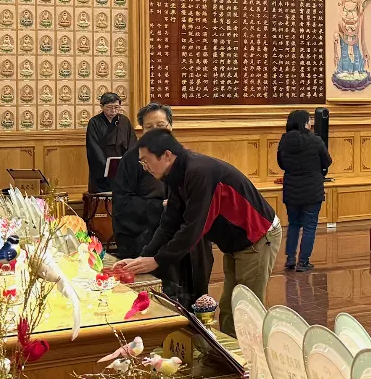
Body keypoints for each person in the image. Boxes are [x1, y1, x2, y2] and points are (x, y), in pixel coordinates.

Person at [114, 130, 282, 334]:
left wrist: (158, 260)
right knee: (229, 306)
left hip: (257, 237)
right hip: (236, 242)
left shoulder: (198, 172)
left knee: (246, 310)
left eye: (146, 161)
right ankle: (230, 351)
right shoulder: (176, 175)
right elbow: (169, 224)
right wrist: (142, 259)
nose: (144, 167)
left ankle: (249, 354)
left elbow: (193, 228)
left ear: (166, 155)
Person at [110, 104, 214, 308]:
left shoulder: (182, 157)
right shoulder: (132, 160)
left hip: (187, 237)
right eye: (149, 127)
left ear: (171, 127)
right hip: (150, 235)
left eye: (161, 125)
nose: (155, 132)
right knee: (163, 301)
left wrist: (175, 208)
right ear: (141, 130)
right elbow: (122, 203)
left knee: (196, 298)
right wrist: (159, 207)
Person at [278, 110, 333, 272]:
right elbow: (327, 161)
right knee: (310, 226)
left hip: (291, 188)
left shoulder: (284, 141)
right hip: (312, 189)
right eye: (309, 120)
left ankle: (290, 258)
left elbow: (281, 163)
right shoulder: (315, 140)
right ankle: (303, 262)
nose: (311, 123)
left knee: (294, 224)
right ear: (304, 123)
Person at [85, 91, 137, 192]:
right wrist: (106, 167)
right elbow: (94, 147)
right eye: (109, 107)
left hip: (122, 166)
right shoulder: (94, 122)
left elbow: (132, 143)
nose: (113, 110)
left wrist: (128, 163)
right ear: (101, 106)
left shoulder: (124, 121)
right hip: (103, 168)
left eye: (116, 107)